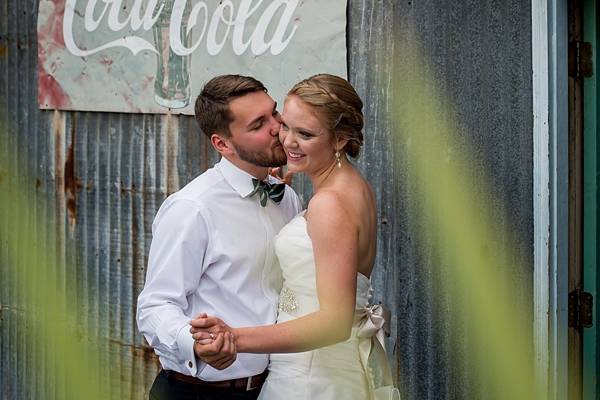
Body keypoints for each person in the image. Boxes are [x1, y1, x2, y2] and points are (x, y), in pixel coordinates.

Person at [190, 74, 399, 399]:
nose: (287, 141)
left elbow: (333, 323)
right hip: (326, 366)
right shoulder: (353, 187)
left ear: (340, 139)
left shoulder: (330, 204)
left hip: (309, 375)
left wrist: (235, 337)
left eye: (305, 134)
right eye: (285, 125)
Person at [136, 74, 303, 400]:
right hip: (198, 392)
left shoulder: (287, 199)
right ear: (222, 144)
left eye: (274, 113)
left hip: (273, 388)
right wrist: (195, 343)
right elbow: (155, 305)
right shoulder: (192, 208)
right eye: (258, 125)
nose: (276, 128)